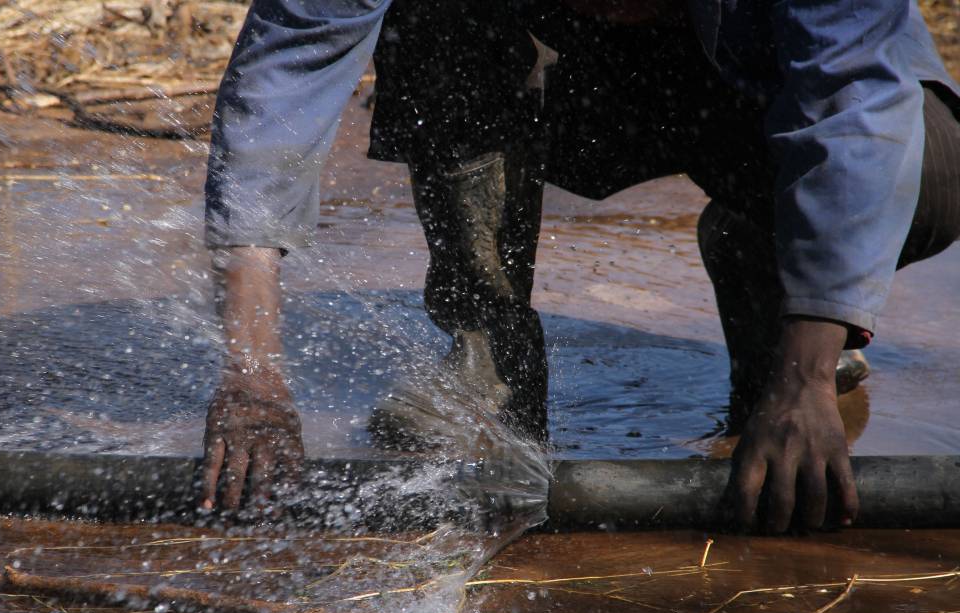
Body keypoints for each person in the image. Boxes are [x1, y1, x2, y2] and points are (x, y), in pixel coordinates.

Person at [198, 0, 960, 532]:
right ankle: (487, 357)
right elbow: (283, 75)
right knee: (432, 16)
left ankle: (790, 299)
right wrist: (253, 372)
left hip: (755, 82)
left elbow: (855, 98)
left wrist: (805, 379)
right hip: (572, 80)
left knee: (922, 174)